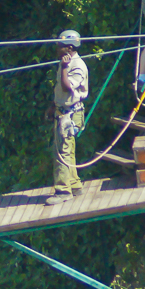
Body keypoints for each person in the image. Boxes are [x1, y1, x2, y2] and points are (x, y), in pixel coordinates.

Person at [46, 30, 89, 207]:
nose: (57, 48)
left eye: (60, 46)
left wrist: (64, 68)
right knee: (68, 150)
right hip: (62, 110)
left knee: (62, 152)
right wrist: (52, 106)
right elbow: (59, 89)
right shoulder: (65, 63)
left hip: (71, 113)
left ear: (69, 48)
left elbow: (66, 87)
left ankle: (63, 191)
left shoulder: (77, 66)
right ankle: (74, 184)